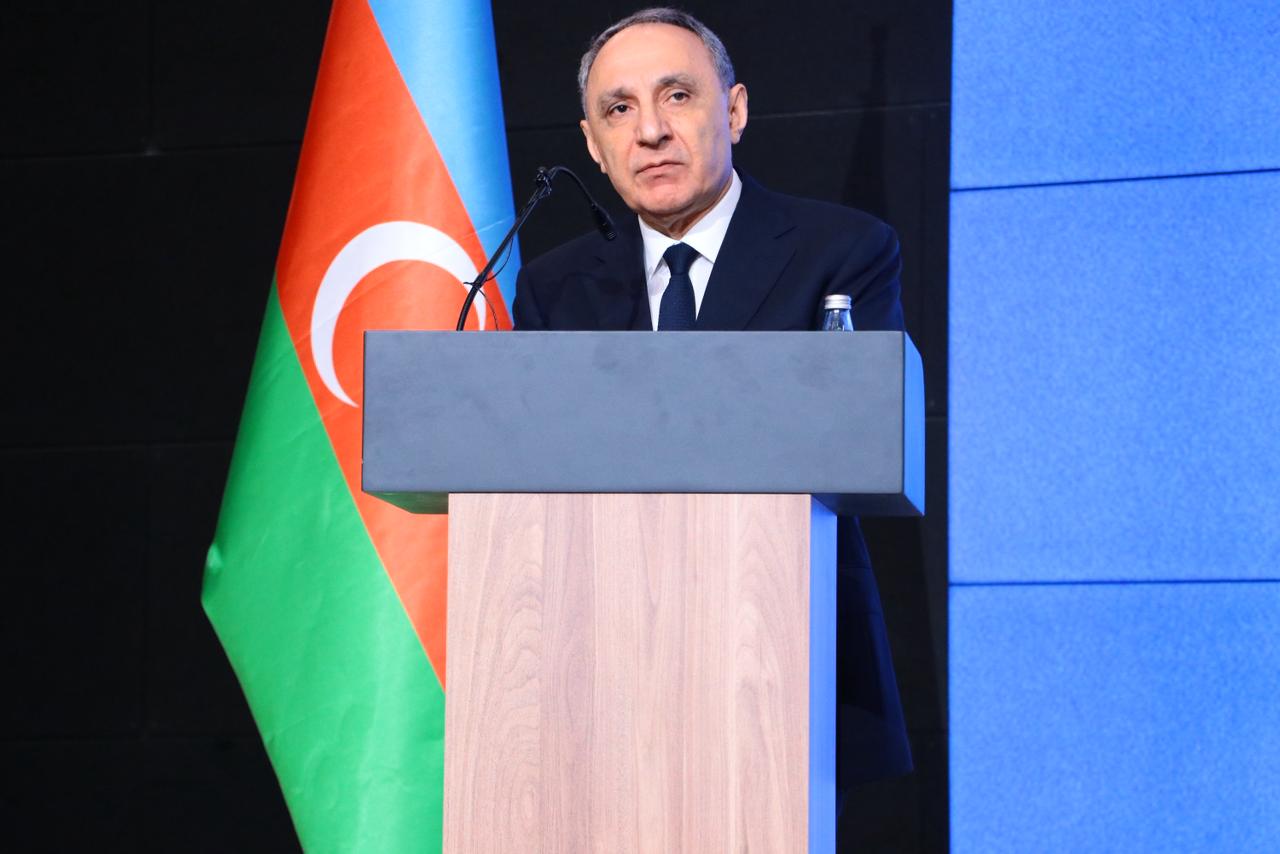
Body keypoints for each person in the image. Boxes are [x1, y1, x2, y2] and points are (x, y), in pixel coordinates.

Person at [513, 6, 912, 797]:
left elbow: (858, 439)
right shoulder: (555, 286)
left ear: (733, 111)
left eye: (677, 96)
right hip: (599, 677)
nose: (650, 131)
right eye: (618, 109)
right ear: (593, 145)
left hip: (784, 663)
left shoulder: (842, 251)